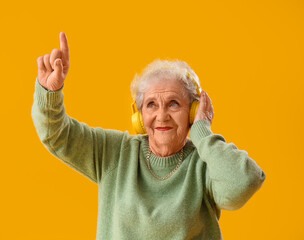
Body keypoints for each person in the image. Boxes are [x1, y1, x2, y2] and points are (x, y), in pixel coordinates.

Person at [32, 32, 266, 240]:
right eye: (151, 105)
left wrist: (203, 133)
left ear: (192, 113)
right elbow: (56, 134)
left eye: (173, 104)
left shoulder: (204, 164)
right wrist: (49, 92)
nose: (161, 116)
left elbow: (243, 183)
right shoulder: (115, 153)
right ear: (139, 116)